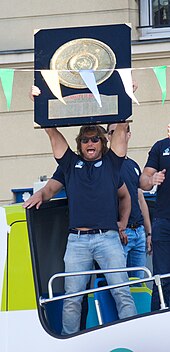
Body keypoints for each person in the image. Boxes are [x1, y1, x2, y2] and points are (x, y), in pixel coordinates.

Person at [107, 123, 152, 279]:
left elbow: (140, 198)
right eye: (112, 132)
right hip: (120, 234)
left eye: (121, 130)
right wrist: (117, 228)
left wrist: (148, 233)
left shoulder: (133, 165)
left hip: (138, 232)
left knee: (138, 284)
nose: (116, 134)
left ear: (128, 135)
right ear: (107, 136)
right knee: (119, 285)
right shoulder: (107, 164)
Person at [140, 123, 170, 311]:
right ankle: (159, 318)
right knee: (163, 277)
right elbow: (143, 180)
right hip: (164, 221)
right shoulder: (160, 147)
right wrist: (152, 180)